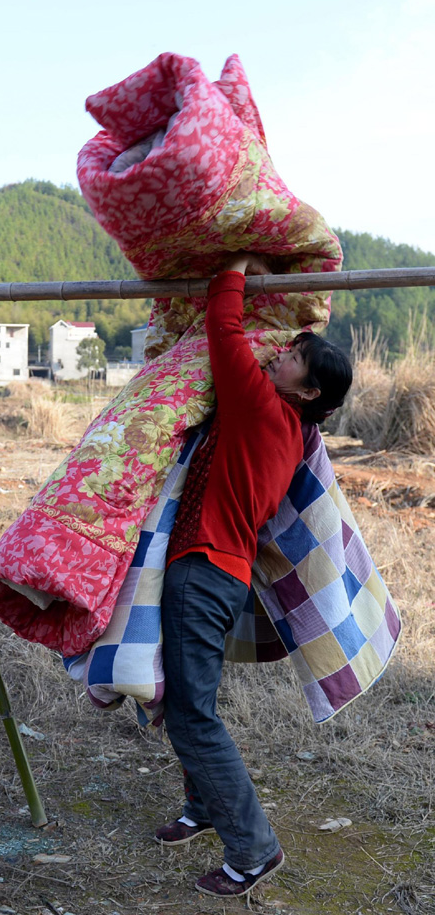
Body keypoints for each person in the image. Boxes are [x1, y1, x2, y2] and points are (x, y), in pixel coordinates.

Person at [155, 251, 353, 898]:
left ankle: (253, 849)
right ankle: (204, 805)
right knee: (184, 698)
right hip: (215, 569)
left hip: (205, 570)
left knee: (190, 713)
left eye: (294, 356)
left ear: (308, 389)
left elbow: (224, 326)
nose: (280, 356)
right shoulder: (292, 429)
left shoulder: (264, 411)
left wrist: (234, 265)